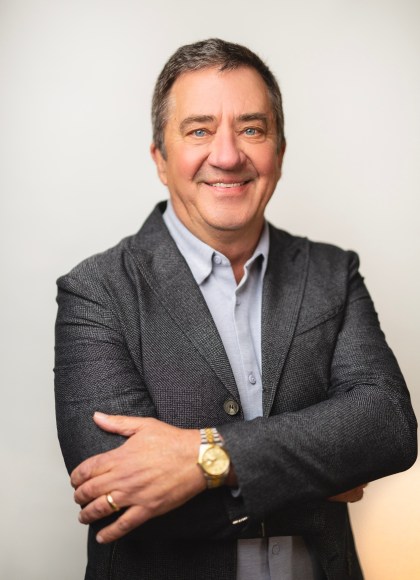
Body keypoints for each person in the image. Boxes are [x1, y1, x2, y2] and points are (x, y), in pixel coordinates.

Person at [54, 38, 417, 580]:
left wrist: (205, 458)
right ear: (160, 159)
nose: (227, 156)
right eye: (199, 130)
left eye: (251, 129)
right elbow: (120, 496)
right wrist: (323, 472)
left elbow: (388, 427)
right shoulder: (96, 291)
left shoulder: (332, 273)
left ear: (280, 152)